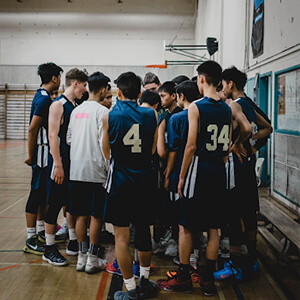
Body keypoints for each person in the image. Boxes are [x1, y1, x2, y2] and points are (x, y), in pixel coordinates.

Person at [158, 61, 232, 297]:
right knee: (213, 229)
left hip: (198, 170)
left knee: (186, 226)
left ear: (201, 79)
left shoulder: (196, 107)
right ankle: (208, 280)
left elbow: (190, 146)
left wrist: (181, 178)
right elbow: (229, 143)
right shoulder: (227, 108)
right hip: (218, 171)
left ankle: (184, 276)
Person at [103, 72, 158, 300]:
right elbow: (154, 150)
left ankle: (130, 288)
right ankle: (145, 281)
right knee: (144, 232)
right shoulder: (151, 114)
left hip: (120, 183)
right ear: (139, 93)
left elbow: (106, 153)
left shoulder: (109, 115)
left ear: (118, 92)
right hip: (145, 181)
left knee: (122, 238)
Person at [214, 66, 273, 281]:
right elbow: (267, 128)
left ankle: (235, 265)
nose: (221, 87)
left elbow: (247, 129)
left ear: (231, 84)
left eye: (223, 83)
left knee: (233, 215)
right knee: (249, 214)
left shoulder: (234, 105)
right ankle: (253, 261)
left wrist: (236, 144)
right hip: (247, 163)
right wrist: (252, 148)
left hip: (235, 166)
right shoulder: (248, 103)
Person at [42, 68, 88, 266]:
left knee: (70, 203)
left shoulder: (73, 105)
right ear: (75, 83)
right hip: (60, 162)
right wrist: (58, 164)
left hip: (72, 162)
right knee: (54, 203)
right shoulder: (57, 105)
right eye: (84, 85)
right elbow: (53, 136)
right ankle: (49, 248)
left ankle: (72, 242)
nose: (85, 89)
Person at [67, 71, 110, 273]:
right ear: (102, 90)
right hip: (96, 170)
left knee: (80, 215)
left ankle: (81, 258)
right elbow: (105, 145)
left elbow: (69, 139)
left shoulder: (76, 111)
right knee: (95, 215)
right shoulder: (103, 112)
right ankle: (92, 258)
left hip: (76, 169)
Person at [23, 62, 63, 255]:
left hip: (43, 152)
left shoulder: (41, 95)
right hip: (41, 153)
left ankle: (39, 232)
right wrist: (31, 155)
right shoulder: (45, 99)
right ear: (54, 78)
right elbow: (33, 128)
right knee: (36, 193)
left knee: (42, 195)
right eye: (60, 77)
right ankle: (31, 237)